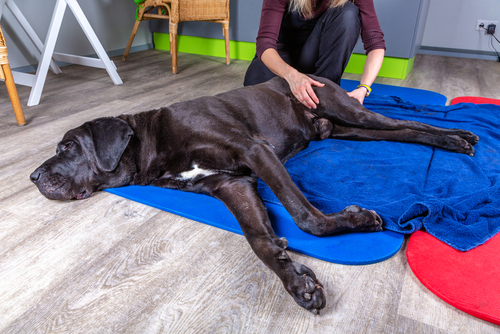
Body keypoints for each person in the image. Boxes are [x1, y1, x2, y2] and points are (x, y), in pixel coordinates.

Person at [243, 0, 385, 108]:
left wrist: (363, 88)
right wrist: (292, 76)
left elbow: (375, 44)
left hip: (313, 61)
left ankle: (324, 95)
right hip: (282, 59)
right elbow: (265, 43)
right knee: (255, 99)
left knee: (348, 13)